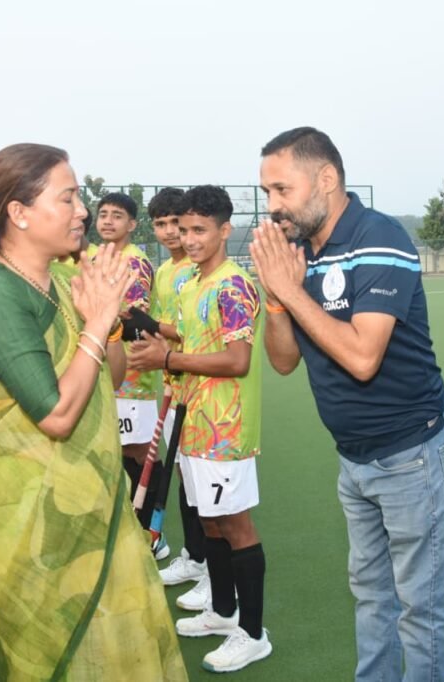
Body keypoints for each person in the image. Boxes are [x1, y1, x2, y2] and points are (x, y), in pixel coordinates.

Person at [0, 143, 186, 680]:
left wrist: (107, 321)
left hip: (95, 498)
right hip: (29, 507)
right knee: (56, 651)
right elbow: (58, 415)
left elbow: (109, 378)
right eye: (68, 198)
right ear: (19, 212)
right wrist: (96, 322)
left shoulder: (62, 279)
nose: (83, 211)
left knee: (116, 642)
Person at [251, 127, 444, 681]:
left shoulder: (378, 236)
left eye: (282, 189)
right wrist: (277, 301)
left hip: (410, 454)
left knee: (421, 607)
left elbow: (364, 357)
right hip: (354, 458)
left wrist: (291, 292)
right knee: (370, 595)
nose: (272, 206)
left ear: (326, 179)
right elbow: (284, 361)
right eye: (267, 192)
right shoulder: (298, 251)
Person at [130, 185, 270, 673]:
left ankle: (253, 633)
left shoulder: (233, 286)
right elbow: (190, 338)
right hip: (193, 419)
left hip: (225, 427)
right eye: (183, 229)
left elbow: (236, 360)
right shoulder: (191, 282)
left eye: (199, 230)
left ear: (224, 230)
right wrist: (154, 335)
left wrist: (167, 359)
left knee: (235, 525)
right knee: (209, 522)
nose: (188, 239)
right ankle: (223, 610)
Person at [147, 188, 211, 611]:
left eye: (178, 223)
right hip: (173, 385)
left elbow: (190, 333)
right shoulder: (165, 271)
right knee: (185, 480)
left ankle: (210, 572)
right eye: (162, 224)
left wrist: (153, 327)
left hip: (202, 393)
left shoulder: (197, 271)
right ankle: (194, 556)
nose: (172, 232)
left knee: (203, 488)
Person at [95, 192, 165, 554]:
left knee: (140, 452)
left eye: (117, 216)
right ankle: (128, 525)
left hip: (132, 374)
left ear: (132, 224)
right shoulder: (95, 258)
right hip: (102, 371)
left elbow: (134, 320)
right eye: (103, 214)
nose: (108, 221)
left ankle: (153, 531)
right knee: (118, 450)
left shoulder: (135, 262)